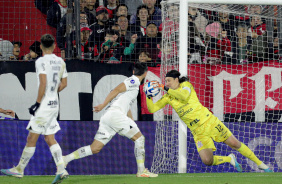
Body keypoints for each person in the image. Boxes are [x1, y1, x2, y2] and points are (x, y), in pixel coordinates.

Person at [146, 70, 273, 173]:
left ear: (176, 80)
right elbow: (152, 108)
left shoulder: (186, 86)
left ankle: (261, 165)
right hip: (198, 131)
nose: (166, 83)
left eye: (168, 80)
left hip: (209, 122)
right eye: (165, 81)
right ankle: (229, 159)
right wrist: (148, 96)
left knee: (234, 143)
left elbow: (184, 97)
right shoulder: (168, 97)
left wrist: (164, 88)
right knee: (207, 160)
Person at [63, 63, 158, 178]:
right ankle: (142, 170)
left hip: (109, 116)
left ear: (133, 71)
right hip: (115, 115)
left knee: (95, 148)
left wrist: (131, 121)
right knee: (140, 139)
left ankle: (66, 159)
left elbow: (125, 103)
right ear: (146, 73)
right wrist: (103, 105)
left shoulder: (133, 84)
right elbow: (116, 90)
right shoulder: (133, 81)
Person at [1, 34, 69, 184]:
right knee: (49, 138)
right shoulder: (60, 61)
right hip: (54, 104)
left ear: (40, 46)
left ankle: (19, 169)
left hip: (44, 105)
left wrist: (37, 103)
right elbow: (64, 84)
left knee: (32, 138)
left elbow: (43, 83)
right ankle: (61, 169)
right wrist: (52, 94)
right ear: (54, 46)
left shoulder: (41, 61)